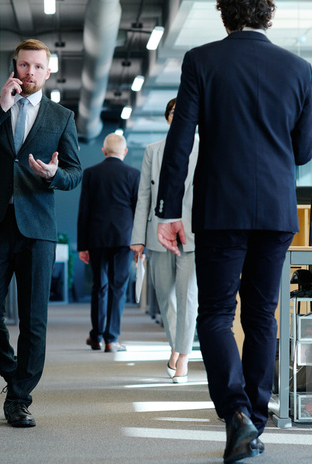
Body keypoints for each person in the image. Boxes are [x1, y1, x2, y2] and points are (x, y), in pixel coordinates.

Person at [154, 1, 312, 462]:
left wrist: (168, 211)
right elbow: (303, 150)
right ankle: (255, 422)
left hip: (220, 207)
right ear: (270, 16)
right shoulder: (299, 68)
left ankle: (237, 416)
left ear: (225, 17)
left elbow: (180, 140)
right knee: (262, 316)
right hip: (278, 212)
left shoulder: (202, 60)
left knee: (217, 314)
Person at [0, 39, 82, 428]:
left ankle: (19, 398)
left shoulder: (61, 117)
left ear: (48, 72)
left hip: (37, 228)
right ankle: (16, 377)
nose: (30, 73)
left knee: (34, 319)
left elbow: (75, 174)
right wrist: (1, 108)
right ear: (14, 67)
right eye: (24, 65)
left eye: (37, 67)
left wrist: (52, 175)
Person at [130, 98, 198, 383]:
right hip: (157, 232)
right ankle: (177, 346)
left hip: (193, 234)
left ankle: (182, 356)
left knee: (187, 297)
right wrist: (138, 239)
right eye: (173, 111)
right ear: (168, 117)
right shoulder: (153, 151)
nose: (178, 115)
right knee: (165, 297)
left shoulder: (205, 147)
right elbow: (144, 195)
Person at [77, 134, 139, 353]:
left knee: (99, 287)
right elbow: (137, 211)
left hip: (96, 238)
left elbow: (84, 211)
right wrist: (139, 242)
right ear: (125, 152)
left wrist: (82, 245)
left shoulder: (91, 173)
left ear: (104, 151)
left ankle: (96, 337)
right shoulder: (133, 174)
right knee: (118, 288)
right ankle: (112, 339)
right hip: (124, 239)